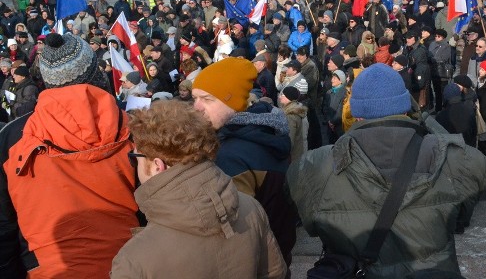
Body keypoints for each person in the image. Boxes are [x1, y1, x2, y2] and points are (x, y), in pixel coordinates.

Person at [288, 63, 486, 277]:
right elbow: (477, 176)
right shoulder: (453, 157)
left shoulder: (315, 165)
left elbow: (309, 223)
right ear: (406, 108)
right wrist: (425, 118)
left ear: (355, 113)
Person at [0, 33, 139, 278]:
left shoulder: (11, 137)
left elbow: (4, 227)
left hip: (47, 268)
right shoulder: (133, 127)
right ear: (95, 74)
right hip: (128, 263)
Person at [111, 100, 287, 278]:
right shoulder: (251, 207)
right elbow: (275, 273)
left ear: (157, 165)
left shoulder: (133, 260)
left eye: (136, 158)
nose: (134, 165)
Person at [191, 57, 298, 275]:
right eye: (195, 98)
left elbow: (233, 235)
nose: (196, 107)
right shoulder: (264, 133)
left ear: (234, 102)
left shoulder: (231, 154)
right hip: (275, 261)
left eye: (207, 99)